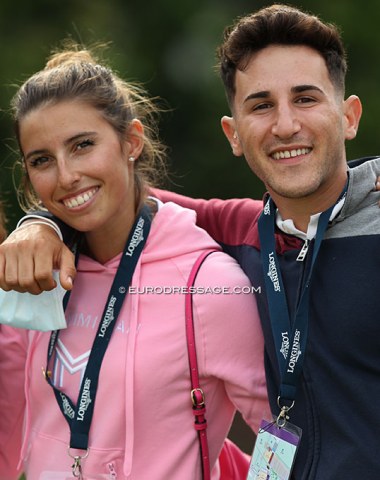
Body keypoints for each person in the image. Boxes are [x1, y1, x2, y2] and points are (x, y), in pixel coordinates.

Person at [2, 4, 380, 479]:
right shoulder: (245, 234)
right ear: (234, 133)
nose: (284, 125)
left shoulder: (216, 279)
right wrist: (41, 222)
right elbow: (110, 199)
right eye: (261, 105)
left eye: (305, 98)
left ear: (348, 116)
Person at [0, 44, 269, 479]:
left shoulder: (208, 284)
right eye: (42, 160)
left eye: (83, 145)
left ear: (132, 142)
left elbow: (287, 435)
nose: (66, 175)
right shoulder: (37, 274)